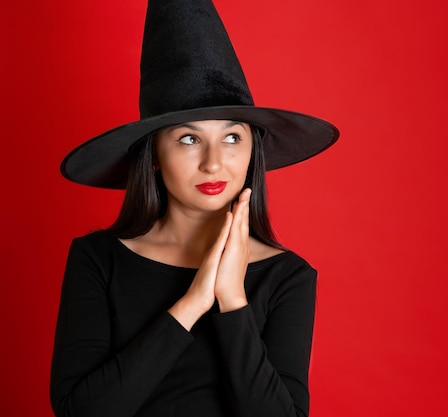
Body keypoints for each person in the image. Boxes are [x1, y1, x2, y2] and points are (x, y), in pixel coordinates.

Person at [50, 1, 339, 416]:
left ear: (253, 149)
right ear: (152, 155)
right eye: (188, 139)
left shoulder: (287, 276)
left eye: (232, 137)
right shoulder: (98, 260)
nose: (213, 162)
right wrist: (192, 302)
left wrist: (232, 299)